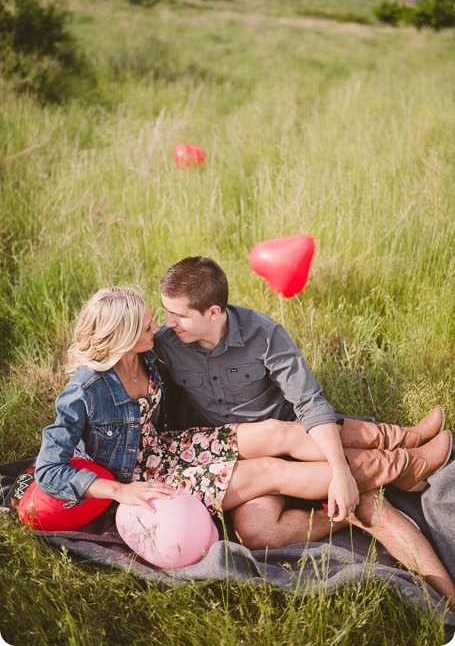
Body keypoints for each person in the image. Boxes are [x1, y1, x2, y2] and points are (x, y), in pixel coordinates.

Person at [34, 286, 455, 608]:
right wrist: (121, 492)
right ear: (123, 337)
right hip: (151, 476)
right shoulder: (84, 391)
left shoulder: (147, 356)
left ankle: (404, 446)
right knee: (273, 469)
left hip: (172, 446)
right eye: (147, 325)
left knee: (278, 432)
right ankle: (401, 467)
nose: (158, 328)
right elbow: (48, 470)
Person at [154, 258, 454, 557]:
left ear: (213, 312)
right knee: (256, 534)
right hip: (236, 453)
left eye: (179, 315)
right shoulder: (166, 343)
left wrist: (338, 471)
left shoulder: (263, 334)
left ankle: (404, 449)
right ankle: (354, 502)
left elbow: (309, 401)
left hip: (286, 431)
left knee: (316, 438)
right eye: (167, 312)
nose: (168, 322)